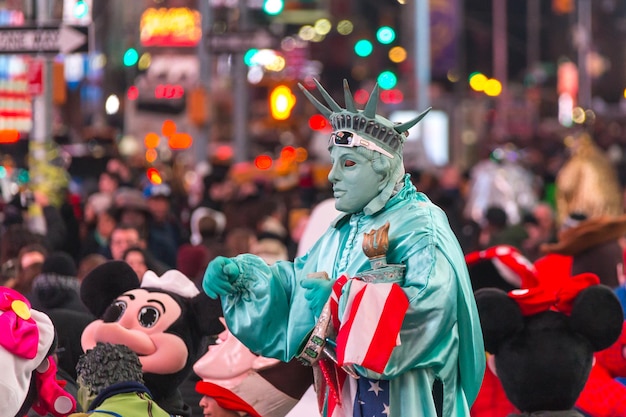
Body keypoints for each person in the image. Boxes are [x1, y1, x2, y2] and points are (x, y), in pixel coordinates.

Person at [203, 79, 485, 417]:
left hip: (407, 401)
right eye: (335, 162)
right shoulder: (344, 227)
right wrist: (245, 278)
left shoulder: (421, 224)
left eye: (348, 164)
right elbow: (298, 287)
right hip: (346, 400)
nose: (332, 176)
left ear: (382, 170)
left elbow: (429, 311)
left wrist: (340, 302)